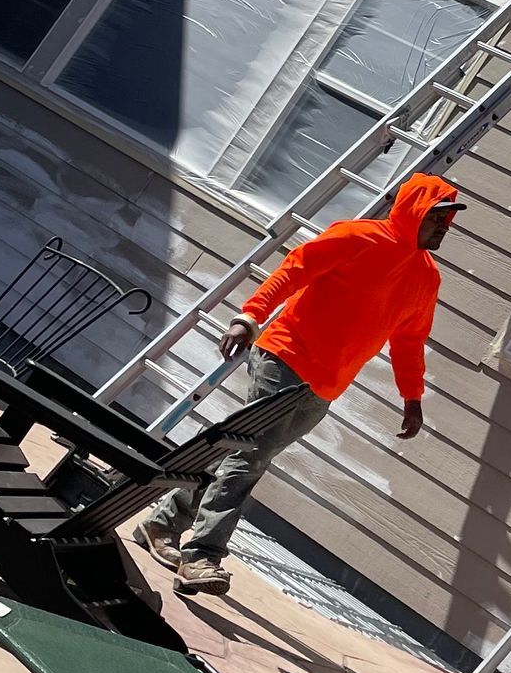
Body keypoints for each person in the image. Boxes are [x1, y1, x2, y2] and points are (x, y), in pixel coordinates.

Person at [130, 170, 464, 597]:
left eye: (449, 220)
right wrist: (248, 317)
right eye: (438, 217)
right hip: (286, 355)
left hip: (326, 384)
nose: (444, 227)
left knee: (239, 451)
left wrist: (412, 396)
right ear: (415, 212)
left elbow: (409, 340)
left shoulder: (425, 277)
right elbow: (293, 271)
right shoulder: (358, 237)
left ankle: (160, 524)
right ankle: (202, 555)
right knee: (252, 454)